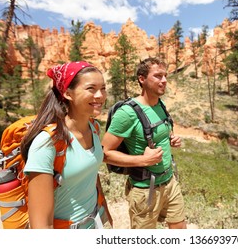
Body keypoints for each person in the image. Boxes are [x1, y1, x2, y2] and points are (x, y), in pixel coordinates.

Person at [21, 61, 108, 229]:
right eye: (91, 89)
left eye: (103, 88)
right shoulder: (47, 142)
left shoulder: (94, 128)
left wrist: (105, 214)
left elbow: (90, 174)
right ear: (68, 93)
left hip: (95, 223)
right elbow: (41, 225)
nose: (100, 95)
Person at [102, 57, 187, 229]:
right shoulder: (127, 113)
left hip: (170, 182)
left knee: (180, 228)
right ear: (142, 79)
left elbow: (159, 133)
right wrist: (142, 160)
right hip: (145, 190)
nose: (164, 81)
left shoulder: (160, 104)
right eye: (157, 76)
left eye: (165, 76)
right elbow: (104, 153)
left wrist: (171, 138)